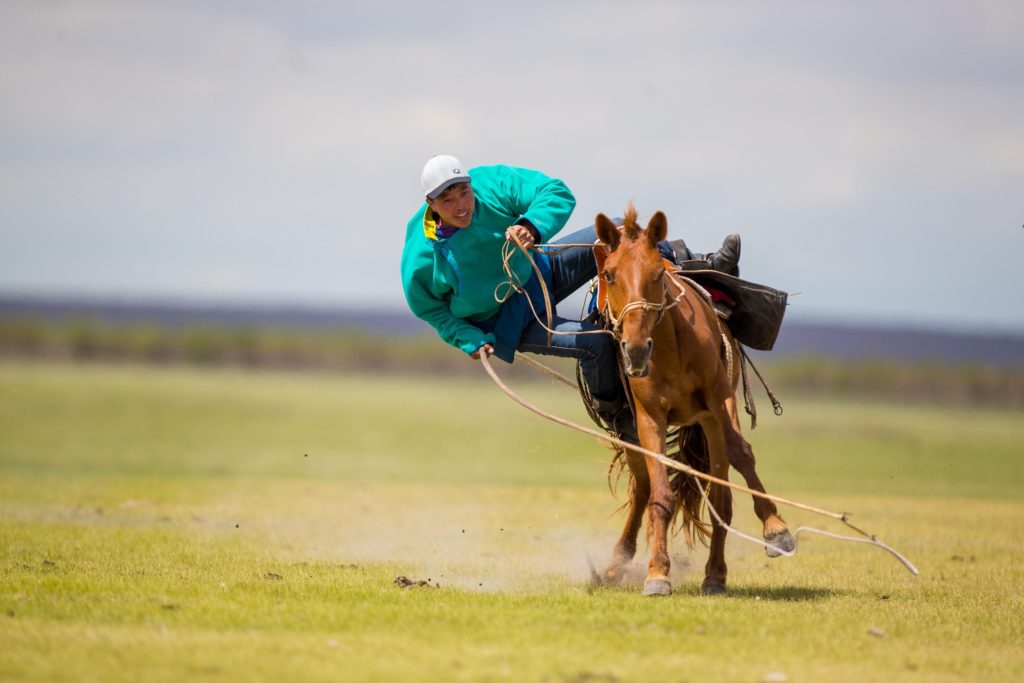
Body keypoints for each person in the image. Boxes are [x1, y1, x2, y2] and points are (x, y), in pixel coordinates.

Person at [400, 154, 740, 442]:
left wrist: (532, 225)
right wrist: (467, 337)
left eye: (463, 193)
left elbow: (555, 191)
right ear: (430, 205)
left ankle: (701, 265)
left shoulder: (490, 185)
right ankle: (619, 417)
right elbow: (429, 308)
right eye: (447, 200)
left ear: (470, 185)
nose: (461, 206)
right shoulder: (421, 255)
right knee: (597, 344)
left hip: (539, 268)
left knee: (620, 230)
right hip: (507, 321)